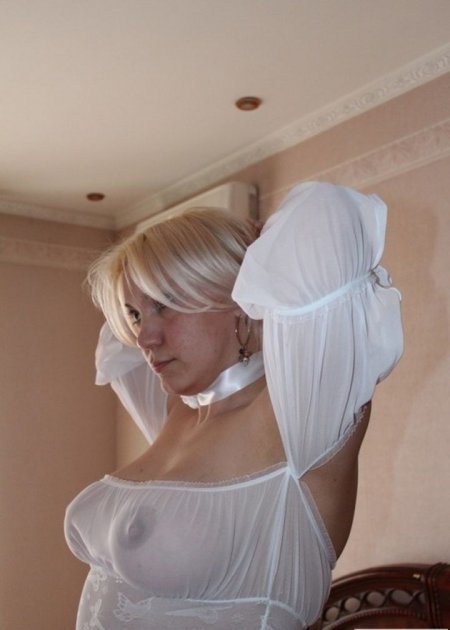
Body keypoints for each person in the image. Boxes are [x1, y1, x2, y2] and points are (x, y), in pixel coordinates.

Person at [65, 181, 403, 630]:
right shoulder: (178, 410)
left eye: (165, 305)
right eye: (135, 315)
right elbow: (117, 343)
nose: (144, 337)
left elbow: (330, 216)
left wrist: (257, 257)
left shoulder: (301, 419)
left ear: (240, 301)